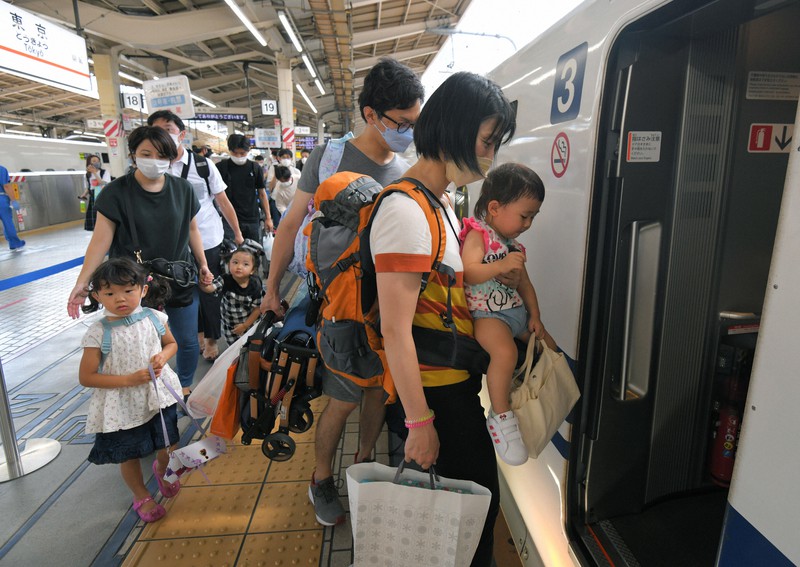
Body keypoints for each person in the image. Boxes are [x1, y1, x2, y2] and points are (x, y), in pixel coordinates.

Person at [260, 57, 425, 527]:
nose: (409, 132)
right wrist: (271, 290)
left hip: (386, 309)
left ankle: (364, 463)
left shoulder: (408, 169)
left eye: (415, 122)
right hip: (339, 307)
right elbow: (290, 224)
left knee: (378, 394)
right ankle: (320, 478)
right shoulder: (330, 157)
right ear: (371, 114)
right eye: (402, 122)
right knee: (344, 397)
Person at [370, 71, 516, 567]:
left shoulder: (442, 204)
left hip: (453, 386)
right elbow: (395, 330)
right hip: (434, 397)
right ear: (455, 128)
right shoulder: (406, 211)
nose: (490, 155)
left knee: (469, 523)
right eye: (487, 140)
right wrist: (419, 424)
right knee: (465, 527)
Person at [66, 125, 214, 402]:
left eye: (162, 155)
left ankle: (183, 386)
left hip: (178, 277)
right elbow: (100, 241)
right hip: (132, 284)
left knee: (185, 339)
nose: (154, 160)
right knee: (138, 342)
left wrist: (203, 264)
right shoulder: (115, 193)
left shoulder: (182, 189)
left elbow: (193, 229)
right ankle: (145, 392)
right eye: (146, 154)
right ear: (133, 154)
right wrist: (82, 282)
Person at [460, 162, 556, 466]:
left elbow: (525, 284)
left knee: (549, 347)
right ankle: (501, 416)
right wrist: (500, 266)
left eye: (533, 217)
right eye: (524, 216)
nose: (528, 223)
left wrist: (535, 316)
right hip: (488, 316)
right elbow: (469, 272)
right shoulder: (479, 235)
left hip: (515, 313)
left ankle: (546, 398)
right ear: (494, 208)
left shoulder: (514, 245)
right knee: (505, 353)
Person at [78, 257, 182, 523]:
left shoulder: (154, 317)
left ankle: (162, 468)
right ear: (97, 296)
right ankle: (141, 495)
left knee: (169, 442)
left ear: (143, 289)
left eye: (127, 290)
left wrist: (163, 357)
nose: (120, 299)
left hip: (158, 395)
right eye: (110, 293)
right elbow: (86, 376)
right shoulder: (98, 332)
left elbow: (171, 344)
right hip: (121, 404)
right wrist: (128, 380)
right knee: (130, 453)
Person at [147, 110, 244, 363]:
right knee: (183, 291)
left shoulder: (202, 165)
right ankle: (198, 334)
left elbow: (223, 201)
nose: (163, 135)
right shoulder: (152, 167)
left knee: (208, 289)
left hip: (208, 237)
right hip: (172, 244)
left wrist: (237, 233)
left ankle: (211, 338)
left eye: (168, 129)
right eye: (157, 130)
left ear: (181, 134)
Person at [199, 246, 265, 345]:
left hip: (250, 323)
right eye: (235, 262)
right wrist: (203, 283)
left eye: (245, 264)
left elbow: (257, 309)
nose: (239, 267)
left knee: (251, 346)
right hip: (230, 326)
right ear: (229, 264)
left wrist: (245, 325)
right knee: (233, 348)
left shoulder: (255, 285)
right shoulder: (225, 279)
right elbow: (210, 288)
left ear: (252, 270)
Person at [217, 134, 273, 241]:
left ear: (248, 150)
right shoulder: (221, 168)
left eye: (242, 153)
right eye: (235, 153)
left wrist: (268, 218)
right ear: (229, 150)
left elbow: (262, 194)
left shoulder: (255, 168)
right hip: (228, 220)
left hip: (251, 219)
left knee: (253, 248)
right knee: (232, 249)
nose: (238, 156)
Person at [79, 154, 111, 231]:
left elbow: (103, 183)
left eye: (98, 161)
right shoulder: (88, 175)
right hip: (93, 196)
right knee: (95, 216)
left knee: (103, 215)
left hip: (103, 195)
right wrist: (84, 194)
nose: (96, 162)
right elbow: (89, 186)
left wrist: (95, 173)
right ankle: (97, 231)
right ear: (89, 163)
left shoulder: (104, 172)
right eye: (94, 161)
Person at [0, 164, 25, 250]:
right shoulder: (1, 169)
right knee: (7, 222)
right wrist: (13, 200)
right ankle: (15, 243)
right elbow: (6, 186)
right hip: (1, 200)